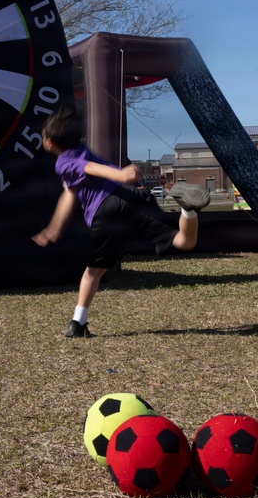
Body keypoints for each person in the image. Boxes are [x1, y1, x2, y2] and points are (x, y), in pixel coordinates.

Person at [32, 108, 210, 338]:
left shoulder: (64, 162)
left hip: (107, 209)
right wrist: (54, 227)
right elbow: (70, 193)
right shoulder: (81, 149)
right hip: (131, 197)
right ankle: (188, 209)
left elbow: (87, 167)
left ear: (49, 142)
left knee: (93, 271)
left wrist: (120, 175)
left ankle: (77, 323)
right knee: (185, 242)